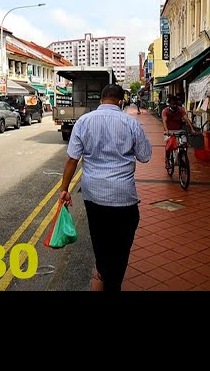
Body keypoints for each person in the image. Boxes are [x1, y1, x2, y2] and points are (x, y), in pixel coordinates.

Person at [59, 84, 152, 291]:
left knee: (100, 242)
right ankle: (112, 281)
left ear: (101, 100)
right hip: (123, 198)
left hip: (94, 197)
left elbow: (72, 159)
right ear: (120, 101)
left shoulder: (83, 121)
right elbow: (145, 156)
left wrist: (64, 189)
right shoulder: (130, 122)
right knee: (120, 247)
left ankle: (103, 274)